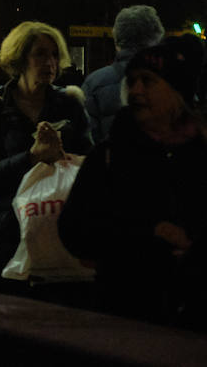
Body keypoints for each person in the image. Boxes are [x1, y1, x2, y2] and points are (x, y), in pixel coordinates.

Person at [60, 36, 207, 330]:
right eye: (133, 81)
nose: (136, 89)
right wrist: (149, 235)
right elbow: (74, 229)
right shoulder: (109, 156)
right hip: (124, 317)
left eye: (149, 81)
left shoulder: (200, 155)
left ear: (177, 91)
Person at [0, 21, 92, 294]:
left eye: (55, 55)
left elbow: (91, 170)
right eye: (41, 54)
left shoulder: (69, 105)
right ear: (20, 58)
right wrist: (31, 157)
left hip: (60, 240)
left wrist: (64, 157)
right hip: (7, 243)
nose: (50, 62)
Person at [83, 5, 164, 143]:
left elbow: (87, 141)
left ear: (117, 42)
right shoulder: (174, 79)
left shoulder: (94, 83)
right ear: (156, 40)